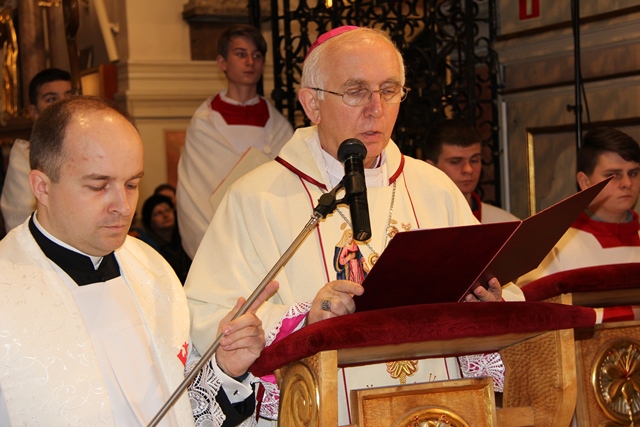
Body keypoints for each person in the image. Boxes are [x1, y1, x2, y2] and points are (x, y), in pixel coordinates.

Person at [185, 26, 523, 425]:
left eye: (389, 90)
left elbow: (500, 288)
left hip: (437, 411)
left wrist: (487, 302)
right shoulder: (257, 197)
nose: (376, 108)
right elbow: (209, 317)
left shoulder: (434, 187)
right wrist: (303, 319)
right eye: (356, 91)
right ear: (312, 104)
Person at [0, 95, 278, 426]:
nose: (124, 206)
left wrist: (225, 369)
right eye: (99, 186)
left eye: (132, 184)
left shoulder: (153, 271)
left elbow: (182, 407)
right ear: (42, 187)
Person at [176, 24, 294, 259]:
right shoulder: (204, 124)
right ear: (222, 62)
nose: (250, 62)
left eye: (256, 56)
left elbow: (288, 187)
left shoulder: (280, 127)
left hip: (267, 235)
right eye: (241, 54)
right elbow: (194, 192)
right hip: (219, 236)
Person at [517, 127, 640, 286]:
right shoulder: (554, 243)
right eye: (614, 175)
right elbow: (531, 299)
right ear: (585, 182)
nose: (627, 183)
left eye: (633, 173)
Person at [0, 68, 72, 232]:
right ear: (34, 112)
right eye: (51, 99)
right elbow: (18, 220)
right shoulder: (24, 156)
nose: (63, 105)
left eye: (69, 96)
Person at [424, 118, 519, 223]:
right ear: (431, 168)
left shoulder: (505, 223)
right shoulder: (417, 221)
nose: (468, 169)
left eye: (474, 160)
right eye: (455, 162)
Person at [140, 193, 192, 284]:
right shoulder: (147, 247)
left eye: (167, 210)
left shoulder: (186, 238)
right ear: (150, 221)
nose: (165, 215)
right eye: (158, 213)